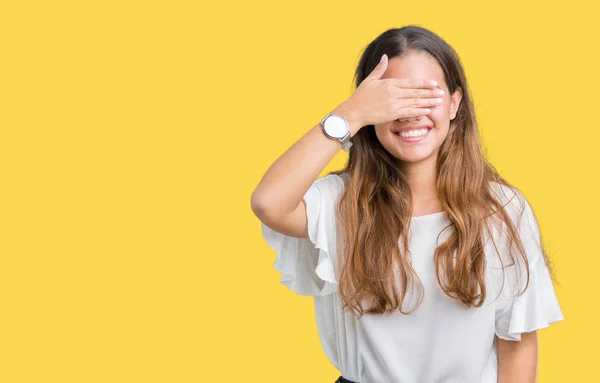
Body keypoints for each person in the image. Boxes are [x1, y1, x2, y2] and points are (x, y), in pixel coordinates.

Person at [250, 25, 564, 383]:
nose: (410, 113)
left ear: (455, 103)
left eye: (426, 95)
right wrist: (350, 115)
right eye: (394, 99)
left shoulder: (502, 208)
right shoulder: (340, 202)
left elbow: (518, 343)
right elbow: (269, 202)